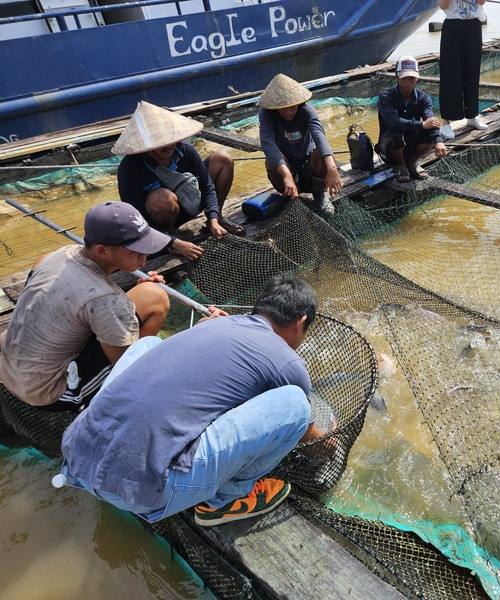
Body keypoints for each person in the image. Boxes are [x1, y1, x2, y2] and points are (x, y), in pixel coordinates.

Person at [59, 275, 332, 526]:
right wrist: (326, 443)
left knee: (147, 345)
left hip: (76, 454)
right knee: (296, 404)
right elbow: (304, 431)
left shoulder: (215, 324)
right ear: (300, 322)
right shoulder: (289, 363)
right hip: (140, 493)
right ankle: (227, 500)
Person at [0, 201, 171, 412]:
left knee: (147, 295)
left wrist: (123, 307)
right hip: (47, 391)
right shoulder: (107, 300)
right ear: (102, 250)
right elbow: (124, 362)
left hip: (8, 365)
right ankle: (114, 401)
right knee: (157, 300)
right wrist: (124, 312)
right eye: (137, 251)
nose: (145, 259)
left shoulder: (58, 255)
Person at [115, 101, 242, 261]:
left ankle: (216, 221)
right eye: (162, 144)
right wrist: (173, 242)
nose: (169, 147)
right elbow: (135, 218)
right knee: (161, 198)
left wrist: (213, 218)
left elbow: (208, 187)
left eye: (171, 140)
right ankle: (171, 236)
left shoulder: (185, 151)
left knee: (222, 159)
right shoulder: (129, 168)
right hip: (163, 218)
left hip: (192, 199)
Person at [258, 74, 343, 218]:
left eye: (292, 107)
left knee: (320, 153)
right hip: (287, 167)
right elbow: (268, 143)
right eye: (284, 108)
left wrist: (332, 168)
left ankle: (319, 196)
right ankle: (291, 196)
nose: (289, 112)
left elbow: (319, 135)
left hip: (308, 166)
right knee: (270, 162)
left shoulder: (307, 110)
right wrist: (286, 174)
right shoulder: (266, 115)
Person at [377, 56, 448, 183]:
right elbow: (393, 122)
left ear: (417, 78)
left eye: (411, 78)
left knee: (432, 134)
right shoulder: (386, 96)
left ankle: (412, 163)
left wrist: (439, 141)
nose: (408, 81)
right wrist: (421, 124)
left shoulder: (423, 98)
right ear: (397, 76)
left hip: (411, 147)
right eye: (404, 78)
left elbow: (430, 121)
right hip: (390, 148)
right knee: (395, 132)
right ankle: (400, 165)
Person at [438, 0, 488, 140]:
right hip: (453, 25)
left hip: (474, 25)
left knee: (472, 72)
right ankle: (446, 121)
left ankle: (472, 115)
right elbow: (443, 6)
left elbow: (481, 2)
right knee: (450, 73)